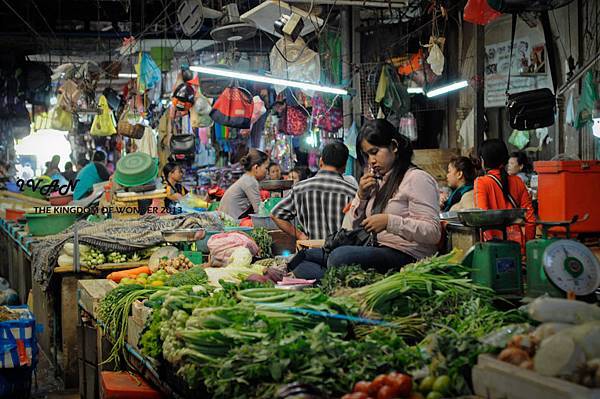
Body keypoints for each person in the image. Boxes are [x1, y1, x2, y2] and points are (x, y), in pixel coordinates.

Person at [289, 119, 441, 279]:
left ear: (394, 146)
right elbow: (350, 226)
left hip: (407, 256)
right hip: (377, 248)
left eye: (375, 152)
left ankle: (335, 280)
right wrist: (361, 196)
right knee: (302, 259)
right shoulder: (378, 181)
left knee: (339, 257)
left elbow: (433, 232)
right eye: (367, 155)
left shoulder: (417, 178)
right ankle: (337, 281)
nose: (371, 161)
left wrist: (390, 222)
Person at [271, 142, 357, 241]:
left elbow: (275, 214)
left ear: (321, 162)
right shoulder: (352, 192)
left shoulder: (300, 189)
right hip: (342, 254)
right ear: (344, 166)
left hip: (311, 253)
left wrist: (300, 236)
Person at [474, 139, 535, 245]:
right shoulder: (518, 181)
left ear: (483, 160)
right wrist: (527, 246)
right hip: (517, 245)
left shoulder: (481, 182)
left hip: (492, 246)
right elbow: (530, 219)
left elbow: (482, 217)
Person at [219, 149, 269, 219]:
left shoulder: (246, 178)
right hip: (232, 223)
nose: (267, 172)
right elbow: (259, 211)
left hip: (226, 219)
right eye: (266, 168)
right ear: (256, 167)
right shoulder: (250, 182)